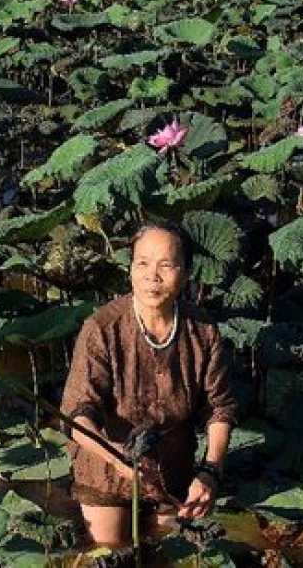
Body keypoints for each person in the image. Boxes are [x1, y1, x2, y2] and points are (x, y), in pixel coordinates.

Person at [59, 220, 238, 547]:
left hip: (173, 468)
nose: (152, 276)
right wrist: (120, 461)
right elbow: (77, 415)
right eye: (142, 263)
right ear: (130, 270)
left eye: (166, 266)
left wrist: (211, 470)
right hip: (108, 465)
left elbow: (219, 409)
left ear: (184, 274)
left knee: (172, 549)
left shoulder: (202, 330)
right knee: (111, 552)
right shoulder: (101, 329)